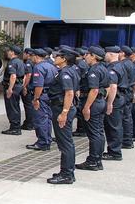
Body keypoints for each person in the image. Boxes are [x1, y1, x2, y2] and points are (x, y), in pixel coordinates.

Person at [46, 48, 79, 184]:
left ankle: (67, 174)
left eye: (57, 56)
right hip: (62, 107)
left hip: (61, 108)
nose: (55, 58)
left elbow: (70, 93)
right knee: (65, 142)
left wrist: (64, 112)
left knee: (65, 143)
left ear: (64, 58)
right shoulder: (71, 71)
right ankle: (66, 171)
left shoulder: (65, 73)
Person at [75, 46, 109, 171]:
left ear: (94, 56)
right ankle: (97, 160)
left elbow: (94, 90)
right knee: (99, 132)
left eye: (88, 54)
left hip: (93, 102)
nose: (85, 56)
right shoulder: (103, 68)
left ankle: (93, 160)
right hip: (100, 102)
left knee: (94, 133)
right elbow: (107, 87)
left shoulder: (94, 70)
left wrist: (87, 107)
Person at [27, 48, 58, 151]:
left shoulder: (38, 67)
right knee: (47, 119)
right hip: (50, 95)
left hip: (42, 96)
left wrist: (36, 99)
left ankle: (42, 142)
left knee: (40, 119)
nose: (31, 58)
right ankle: (47, 139)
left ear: (36, 56)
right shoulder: (52, 66)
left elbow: (38, 86)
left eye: (32, 56)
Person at [103, 46, 128, 161]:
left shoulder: (113, 68)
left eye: (106, 53)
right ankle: (114, 150)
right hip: (120, 97)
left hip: (116, 99)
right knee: (116, 125)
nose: (105, 56)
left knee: (113, 126)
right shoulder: (120, 65)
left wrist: (109, 103)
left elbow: (113, 87)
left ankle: (114, 152)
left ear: (111, 54)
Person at [2, 45, 26, 135]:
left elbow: (13, 76)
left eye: (9, 51)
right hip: (18, 85)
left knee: (11, 107)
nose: (7, 52)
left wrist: (10, 89)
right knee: (15, 106)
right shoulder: (20, 62)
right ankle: (16, 126)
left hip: (13, 86)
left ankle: (15, 128)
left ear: (12, 52)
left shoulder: (12, 62)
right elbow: (24, 76)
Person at [119, 46, 135, 149]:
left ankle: (126, 141)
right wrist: (134, 93)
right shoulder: (131, 63)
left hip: (125, 93)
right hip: (129, 91)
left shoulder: (123, 64)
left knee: (124, 118)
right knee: (128, 117)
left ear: (122, 53)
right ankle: (128, 140)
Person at [72, 47, 90, 137]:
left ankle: (81, 129)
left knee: (79, 111)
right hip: (83, 89)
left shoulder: (79, 64)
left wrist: (77, 88)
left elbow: (77, 78)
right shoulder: (84, 63)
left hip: (81, 89)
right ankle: (81, 129)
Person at [20, 49, 35, 130]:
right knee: (30, 106)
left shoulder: (28, 62)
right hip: (32, 87)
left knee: (28, 106)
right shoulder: (32, 62)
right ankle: (29, 122)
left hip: (29, 87)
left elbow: (28, 74)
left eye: (24, 53)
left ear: (27, 54)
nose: (23, 55)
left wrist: (24, 86)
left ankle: (29, 124)